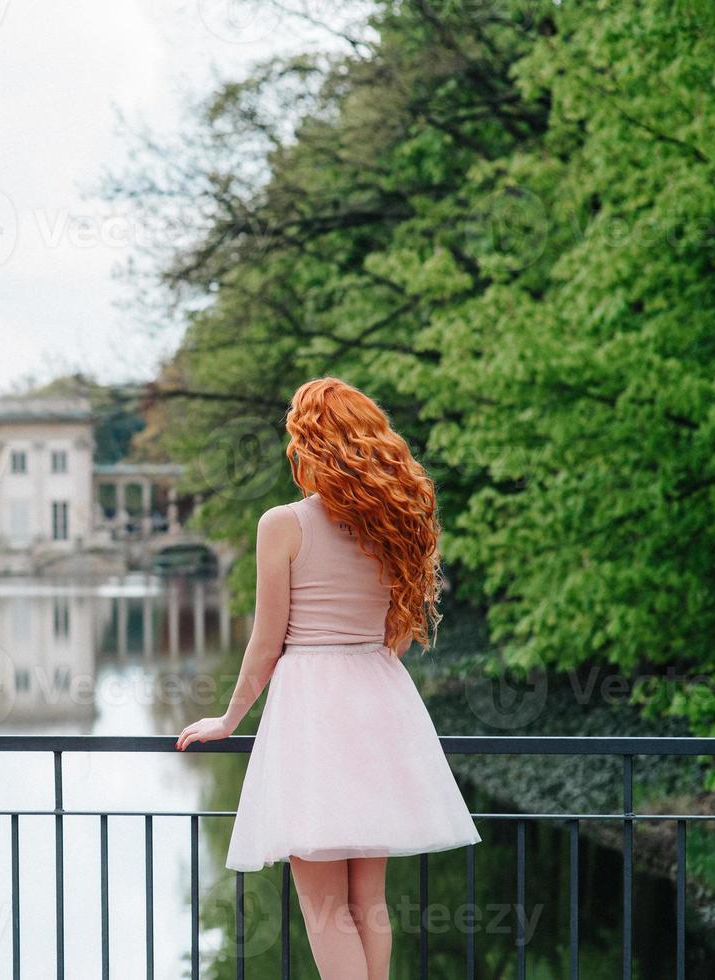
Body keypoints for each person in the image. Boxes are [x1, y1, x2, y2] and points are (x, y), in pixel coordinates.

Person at [175, 376, 480, 980]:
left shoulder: (283, 524)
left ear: (309, 444)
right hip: (379, 698)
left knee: (323, 906)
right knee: (368, 899)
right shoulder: (401, 522)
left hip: (313, 711)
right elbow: (398, 631)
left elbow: (266, 644)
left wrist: (228, 719)